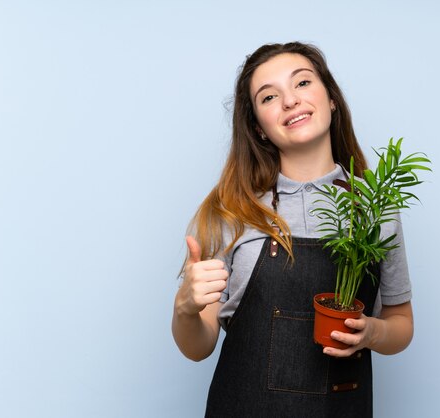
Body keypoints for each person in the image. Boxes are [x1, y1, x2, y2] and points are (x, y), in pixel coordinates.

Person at [172, 42, 414, 417]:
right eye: (269, 96)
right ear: (259, 128)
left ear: (331, 99)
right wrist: (185, 309)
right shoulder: (231, 211)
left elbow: (401, 322)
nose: (290, 101)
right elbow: (198, 346)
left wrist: (373, 333)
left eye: (302, 83)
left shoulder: (375, 209)